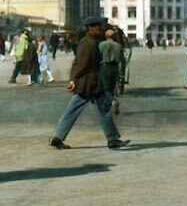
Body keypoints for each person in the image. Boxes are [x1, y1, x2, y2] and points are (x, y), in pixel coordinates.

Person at [48, 16, 129, 150]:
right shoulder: (89, 43)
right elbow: (82, 64)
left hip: (88, 83)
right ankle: (113, 139)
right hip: (90, 83)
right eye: (98, 27)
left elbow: (77, 62)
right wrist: (74, 79)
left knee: (74, 110)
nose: (100, 29)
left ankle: (57, 137)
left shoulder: (88, 41)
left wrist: (73, 78)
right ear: (91, 28)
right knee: (103, 110)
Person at [99, 29, 124, 116]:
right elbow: (122, 59)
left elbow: (98, 56)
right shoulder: (119, 46)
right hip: (115, 68)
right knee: (112, 87)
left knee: (105, 87)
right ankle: (109, 106)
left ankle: (113, 101)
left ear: (105, 36)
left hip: (105, 67)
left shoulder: (101, 45)